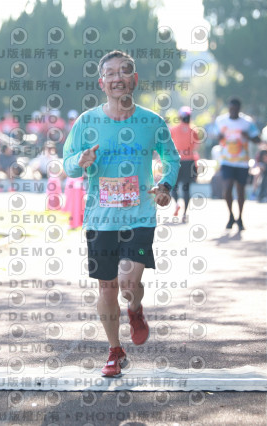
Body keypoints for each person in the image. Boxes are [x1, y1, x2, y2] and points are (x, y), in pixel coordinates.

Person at [63, 50, 180, 378]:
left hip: (139, 215)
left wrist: (165, 185)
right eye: (110, 73)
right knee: (107, 288)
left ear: (134, 79)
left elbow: (171, 158)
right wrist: (80, 161)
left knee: (128, 283)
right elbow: (68, 163)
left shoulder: (151, 122)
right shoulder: (86, 122)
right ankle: (115, 350)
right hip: (100, 219)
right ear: (102, 83)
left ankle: (135, 307)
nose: (117, 78)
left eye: (124, 72)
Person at [212, 97, 261, 230]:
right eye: (231, 109)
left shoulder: (247, 122)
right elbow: (216, 135)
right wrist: (219, 137)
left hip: (242, 162)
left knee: (240, 190)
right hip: (226, 160)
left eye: (235, 109)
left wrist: (248, 137)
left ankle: (240, 218)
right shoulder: (221, 121)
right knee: (227, 188)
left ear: (239, 109)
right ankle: (231, 216)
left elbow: (257, 139)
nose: (233, 111)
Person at [169, 106, 199, 222]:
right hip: (189, 162)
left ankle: (177, 203)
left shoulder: (173, 129)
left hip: (176, 161)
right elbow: (195, 146)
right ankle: (185, 214)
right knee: (186, 189)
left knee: (173, 186)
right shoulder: (193, 130)